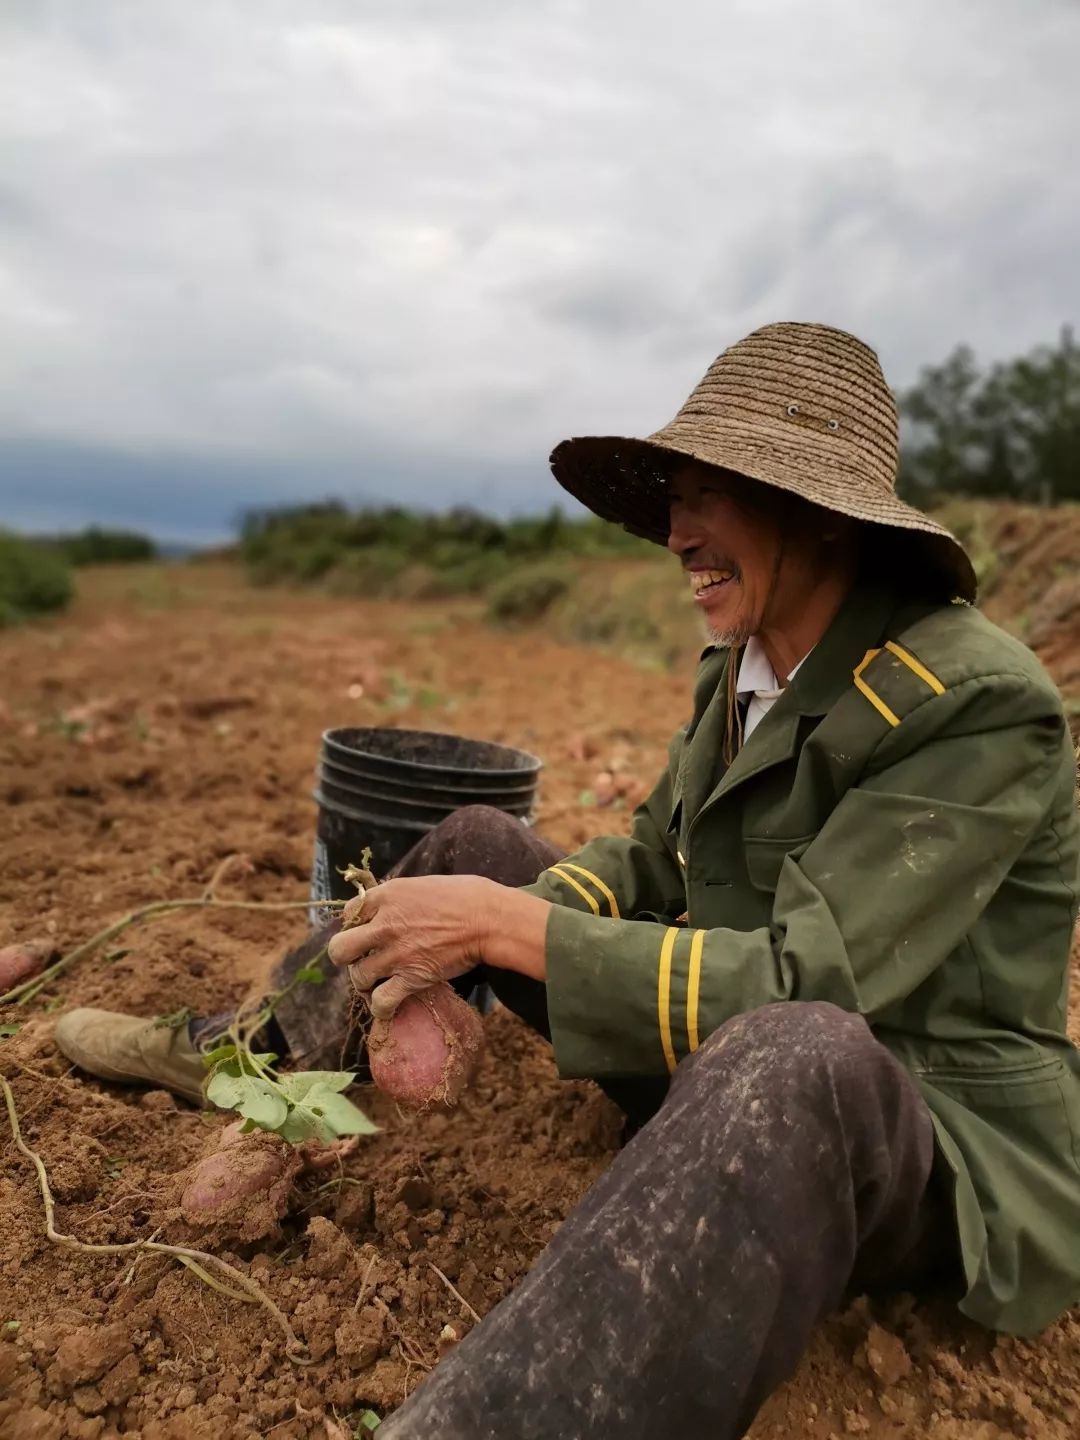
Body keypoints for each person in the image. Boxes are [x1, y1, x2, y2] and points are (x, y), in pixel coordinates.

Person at [56, 323, 1080, 1440]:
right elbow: (650, 856)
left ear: (818, 509)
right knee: (482, 845)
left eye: (708, 496)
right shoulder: (739, 670)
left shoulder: (971, 703)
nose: (676, 532)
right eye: (673, 497)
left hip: (916, 1133)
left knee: (799, 1049)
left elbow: (813, 978)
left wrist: (503, 932)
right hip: (736, 1072)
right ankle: (248, 1052)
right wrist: (474, 920)